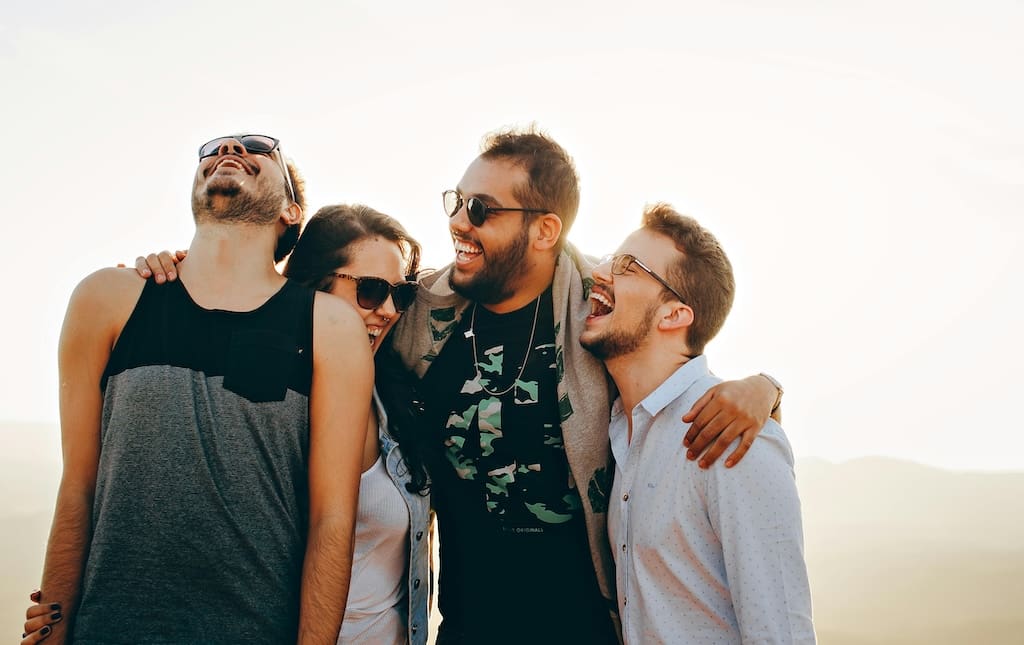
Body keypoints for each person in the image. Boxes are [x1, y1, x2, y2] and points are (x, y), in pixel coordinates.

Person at [389, 127, 784, 644]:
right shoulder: (418, 315)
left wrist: (765, 388)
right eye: (457, 202)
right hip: (464, 630)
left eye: (482, 209)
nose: (459, 221)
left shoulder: (598, 312)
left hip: (590, 631)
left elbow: (677, 366)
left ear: (545, 229)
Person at [22, 134, 372, 645]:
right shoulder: (108, 298)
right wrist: (51, 624)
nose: (228, 146)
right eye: (212, 148)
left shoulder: (330, 328)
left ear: (291, 211)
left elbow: (331, 520)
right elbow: (79, 485)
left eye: (258, 147)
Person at [580, 203, 815, 643]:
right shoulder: (620, 433)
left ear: (674, 314)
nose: (603, 272)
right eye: (610, 258)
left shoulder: (735, 437)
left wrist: (769, 387)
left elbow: (781, 632)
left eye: (628, 266)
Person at [282, 204, 432, 644]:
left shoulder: (393, 397)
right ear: (314, 286)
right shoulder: (272, 402)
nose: (388, 310)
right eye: (369, 291)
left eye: (400, 295)